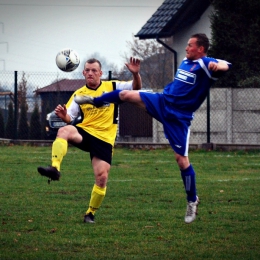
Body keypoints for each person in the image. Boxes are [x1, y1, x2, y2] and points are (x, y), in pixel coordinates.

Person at [73, 33, 232, 224]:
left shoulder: (206, 64)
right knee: (125, 94)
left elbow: (227, 65)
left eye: (190, 45)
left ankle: (192, 200)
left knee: (181, 161)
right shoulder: (185, 61)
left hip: (178, 119)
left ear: (200, 49)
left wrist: (218, 66)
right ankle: (96, 101)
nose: (186, 48)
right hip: (162, 102)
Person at [38, 57, 142, 223]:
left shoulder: (112, 86)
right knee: (64, 130)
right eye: (88, 70)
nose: (91, 73)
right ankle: (54, 168)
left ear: (100, 73)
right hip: (85, 132)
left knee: (101, 178)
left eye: (94, 70)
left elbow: (136, 88)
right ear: (83, 72)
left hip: (104, 140)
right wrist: (62, 114)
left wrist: (136, 74)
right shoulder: (79, 94)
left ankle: (90, 213)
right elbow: (69, 117)